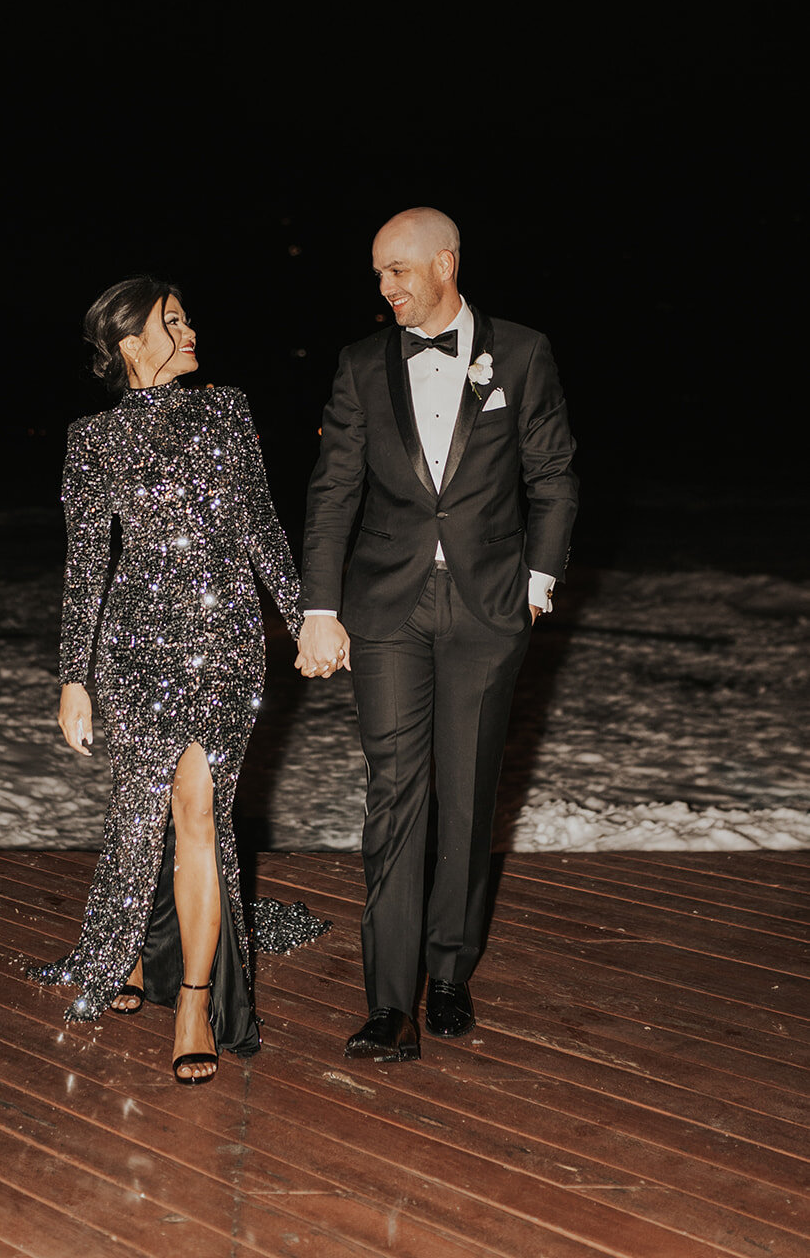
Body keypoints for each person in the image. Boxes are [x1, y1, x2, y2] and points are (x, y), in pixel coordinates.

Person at [296, 207, 578, 1062]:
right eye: (378, 274)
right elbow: (332, 491)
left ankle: (449, 972)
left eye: (396, 271)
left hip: (489, 606)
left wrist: (536, 581)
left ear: (445, 264)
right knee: (395, 795)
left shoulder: (522, 352)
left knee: (466, 794)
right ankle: (390, 1002)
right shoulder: (357, 365)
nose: (384, 289)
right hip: (386, 609)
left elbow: (555, 475)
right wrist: (318, 607)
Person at [25, 275, 304, 1085]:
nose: (190, 332)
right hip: (137, 647)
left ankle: (192, 999)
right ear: (130, 345)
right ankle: (138, 958)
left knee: (199, 813)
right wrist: (73, 678)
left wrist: (306, 617)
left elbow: (260, 524)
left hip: (225, 646)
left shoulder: (228, 410)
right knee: (145, 810)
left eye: (186, 318)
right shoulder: (91, 439)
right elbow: (86, 566)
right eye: (171, 322)